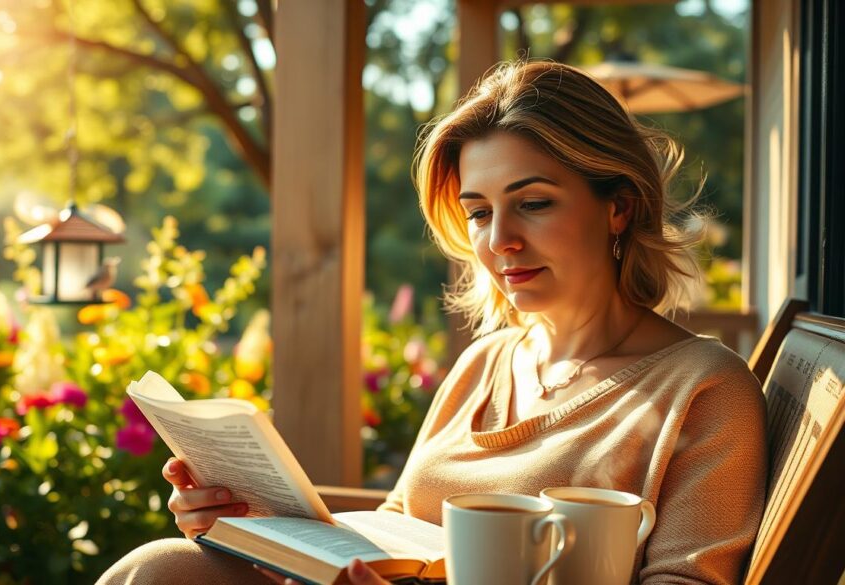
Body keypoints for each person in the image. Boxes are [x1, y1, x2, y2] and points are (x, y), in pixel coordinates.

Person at [98, 60, 766, 585]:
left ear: (618, 208)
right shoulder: (489, 361)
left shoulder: (704, 388)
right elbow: (402, 528)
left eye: (532, 203)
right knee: (159, 567)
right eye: (478, 211)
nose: (499, 239)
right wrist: (254, 521)